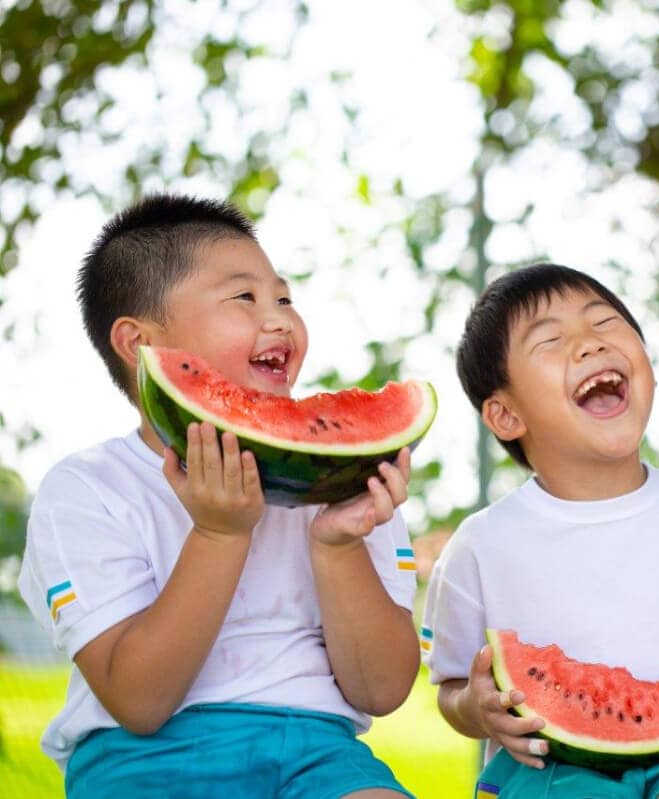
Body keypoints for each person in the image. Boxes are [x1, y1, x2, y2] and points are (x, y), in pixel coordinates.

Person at [18, 194, 420, 798]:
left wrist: (338, 546)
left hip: (317, 752)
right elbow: (138, 700)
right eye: (244, 298)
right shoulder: (86, 490)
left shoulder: (344, 485)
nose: (280, 318)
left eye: (285, 298)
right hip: (142, 760)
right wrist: (219, 534)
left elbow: (382, 691)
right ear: (138, 343)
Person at [422, 263, 659, 799]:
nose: (589, 345)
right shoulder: (481, 546)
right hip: (544, 765)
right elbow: (453, 689)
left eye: (605, 323)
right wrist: (477, 708)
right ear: (506, 415)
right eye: (552, 340)